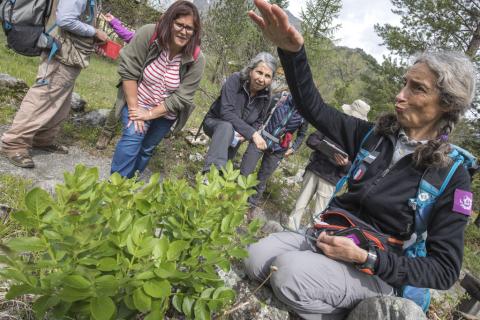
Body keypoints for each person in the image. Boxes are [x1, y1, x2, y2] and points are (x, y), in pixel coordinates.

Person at [245, 1, 477, 319]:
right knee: (255, 257)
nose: (400, 94)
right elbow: (315, 108)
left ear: (446, 105)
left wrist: (367, 258)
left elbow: (445, 270)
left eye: (417, 88)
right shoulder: (374, 137)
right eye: (404, 82)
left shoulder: (451, 176)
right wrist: (291, 52)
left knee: (287, 274)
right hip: (329, 236)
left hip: (376, 271)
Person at [1, 0, 108, 168]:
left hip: (71, 54)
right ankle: (13, 144)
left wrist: (92, 39)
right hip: (61, 54)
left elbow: (77, 20)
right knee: (43, 99)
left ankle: (42, 139)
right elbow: (65, 19)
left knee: (60, 103)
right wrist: (94, 31)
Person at [110, 1, 205, 178]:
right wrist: (135, 110)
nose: (184, 31)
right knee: (132, 137)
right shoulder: (148, 34)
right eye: (179, 24)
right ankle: (115, 190)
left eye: (189, 28)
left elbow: (182, 97)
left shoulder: (197, 59)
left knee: (147, 149)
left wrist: (150, 114)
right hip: (137, 100)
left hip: (165, 112)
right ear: (169, 21)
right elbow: (129, 69)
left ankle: (131, 184)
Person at [288, 100, 370, 230]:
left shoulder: (359, 139)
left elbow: (354, 168)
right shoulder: (333, 125)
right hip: (315, 169)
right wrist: (323, 146)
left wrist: (345, 164)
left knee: (318, 215)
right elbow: (311, 140)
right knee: (299, 205)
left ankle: (309, 239)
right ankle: (289, 231)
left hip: (332, 178)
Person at [201, 52, 277, 173]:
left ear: (271, 79)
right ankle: (209, 174)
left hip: (237, 137)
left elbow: (258, 121)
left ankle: (213, 184)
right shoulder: (236, 80)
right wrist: (252, 133)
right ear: (251, 70)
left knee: (224, 170)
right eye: (259, 72)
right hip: (215, 123)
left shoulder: (267, 97)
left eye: (267, 76)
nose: (261, 79)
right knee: (227, 127)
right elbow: (226, 112)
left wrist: (245, 136)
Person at [240, 90, 308, 206]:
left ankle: (250, 205)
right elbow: (261, 114)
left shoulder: (305, 115)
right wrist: (252, 132)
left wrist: (293, 148)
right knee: (245, 171)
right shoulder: (280, 98)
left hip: (278, 149)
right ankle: (235, 197)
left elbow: (302, 134)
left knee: (261, 179)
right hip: (260, 139)